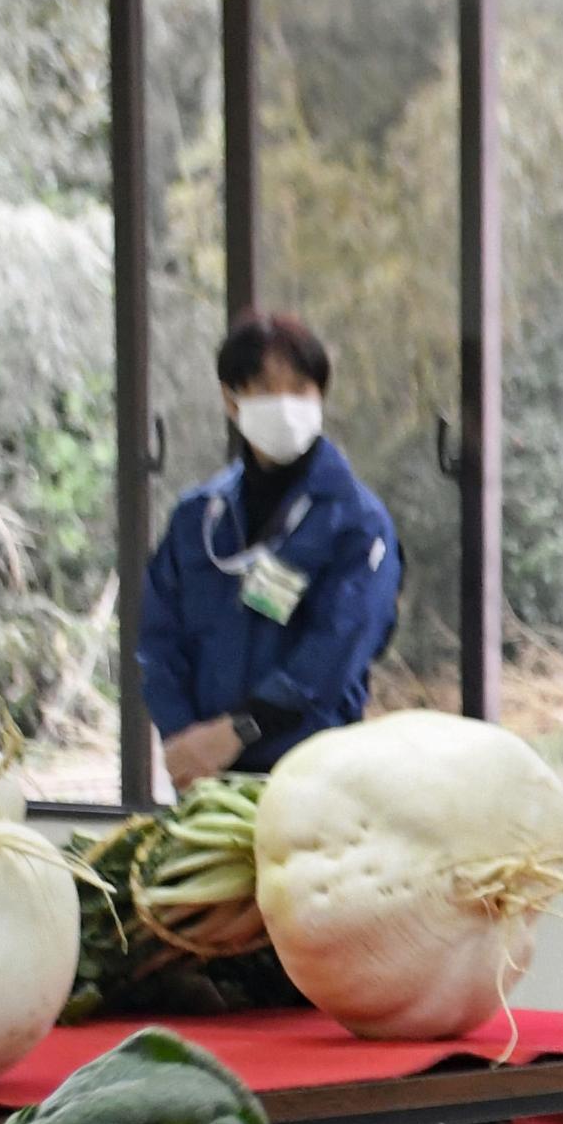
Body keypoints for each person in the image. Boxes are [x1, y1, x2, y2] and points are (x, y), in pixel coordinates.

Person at [137, 311, 402, 794]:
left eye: (299, 388)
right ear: (231, 399)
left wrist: (236, 732)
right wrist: (184, 739)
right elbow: (157, 638)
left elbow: (334, 654)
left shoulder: (358, 524)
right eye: (264, 388)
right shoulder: (198, 517)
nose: (284, 404)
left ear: (320, 395)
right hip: (205, 777)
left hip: (313, 780)